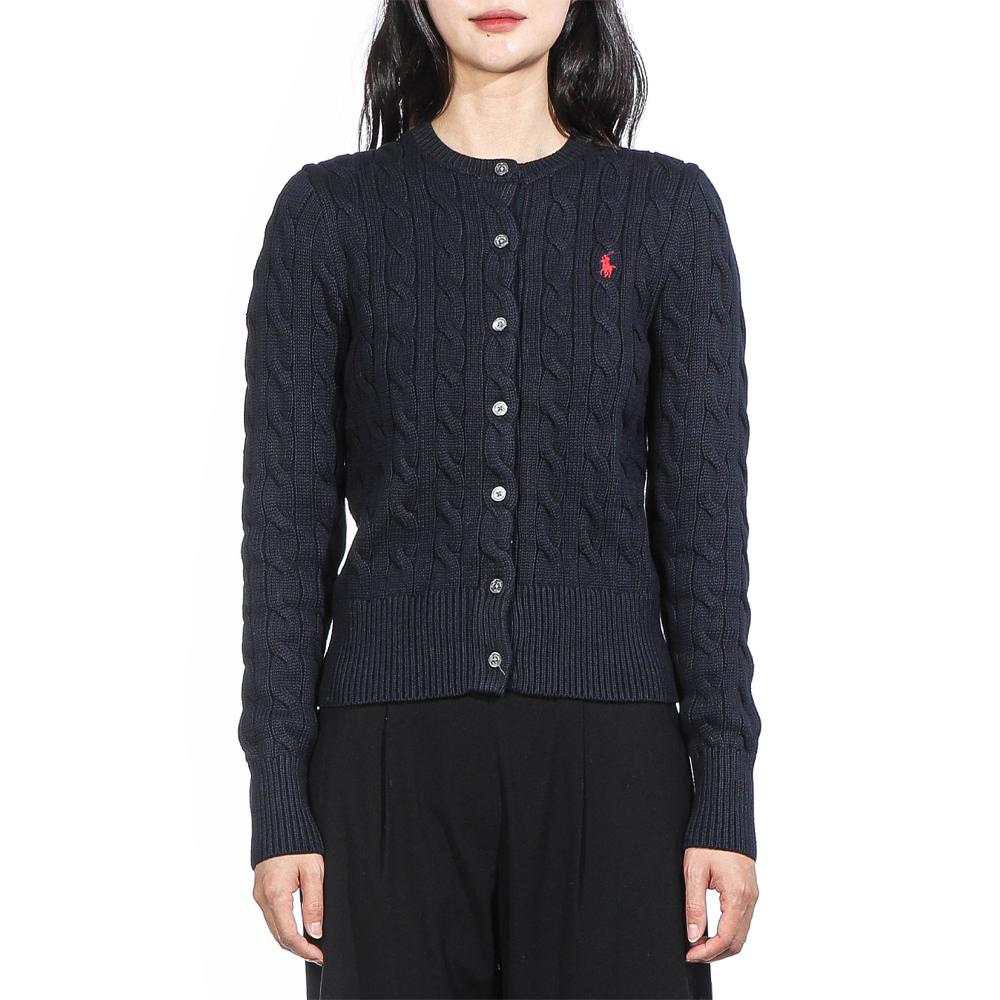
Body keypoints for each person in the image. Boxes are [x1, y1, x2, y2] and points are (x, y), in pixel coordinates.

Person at [238, 2, 762, 997]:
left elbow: (704, 531)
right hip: (386, 758)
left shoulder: (665, 213)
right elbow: (284, 531)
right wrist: (279, 799)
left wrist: (725, 794)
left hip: (614, 757)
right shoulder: (329, 217)